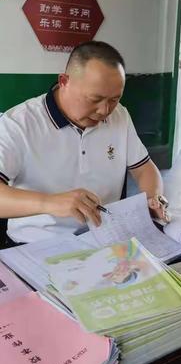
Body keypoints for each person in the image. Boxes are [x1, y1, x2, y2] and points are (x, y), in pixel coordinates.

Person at [0, 41, 168, 243]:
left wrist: (153, 198)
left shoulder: (120, 116)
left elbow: (143, 168)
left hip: (105, 238)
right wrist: (49, 203)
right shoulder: (19, 124)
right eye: (94, 99)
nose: (104, 111)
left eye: (114, 99)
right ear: (64, 82)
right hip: (37, 245)